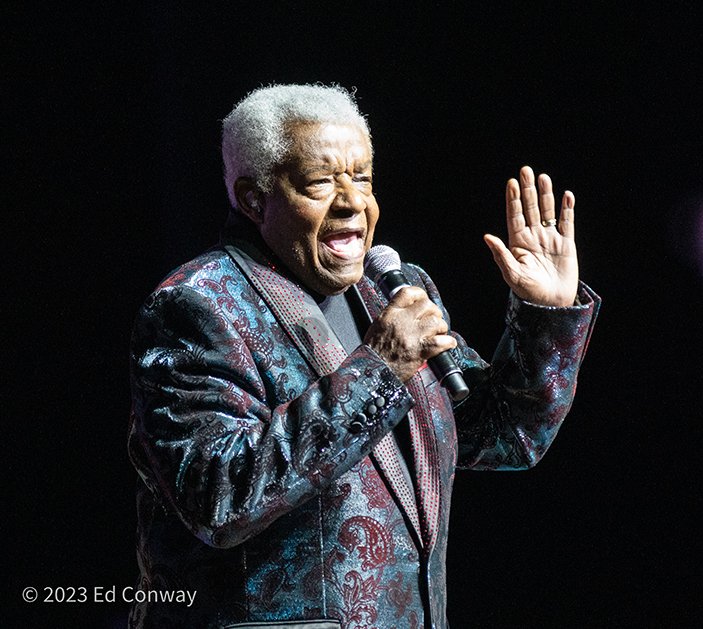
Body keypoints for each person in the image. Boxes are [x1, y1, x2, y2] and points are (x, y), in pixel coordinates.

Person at [128, 83, 600, 629]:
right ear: (255, 199)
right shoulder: (198, 305)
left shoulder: (390, 293)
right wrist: (380, 367)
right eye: (321, 181)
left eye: (362, 178)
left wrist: (545, 316)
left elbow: (501, 436)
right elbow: (221, 498)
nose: (352, 201)